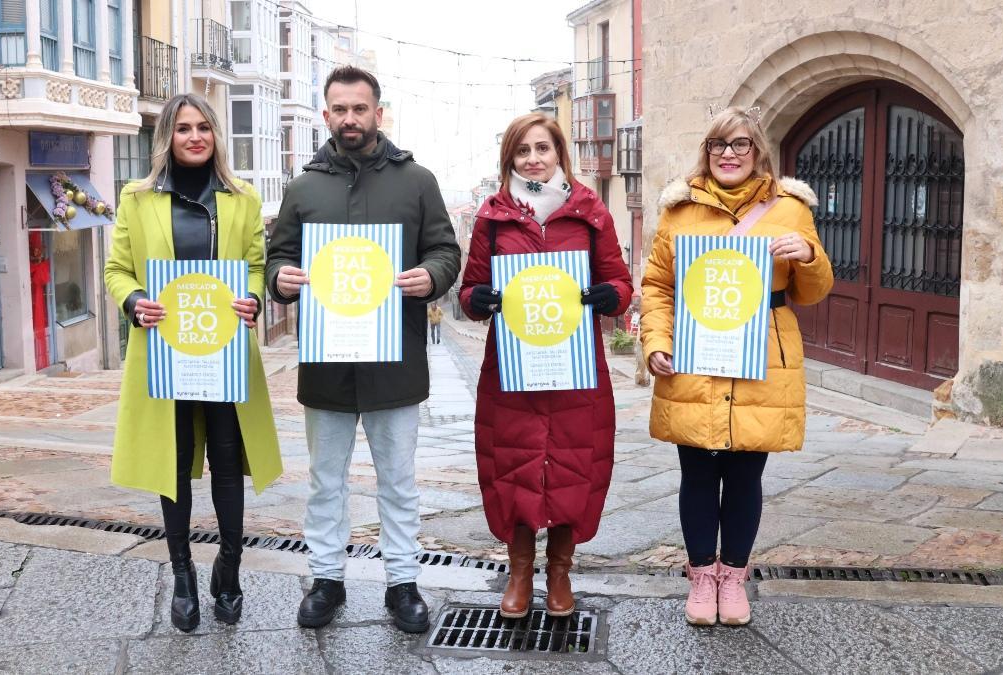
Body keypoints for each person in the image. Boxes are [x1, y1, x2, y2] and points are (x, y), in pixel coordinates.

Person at [266, 66, 460, 633]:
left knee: (397, 479)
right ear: (326, 115)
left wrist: (431, 274)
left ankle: (402, 582)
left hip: (394, 360)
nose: (349, 118)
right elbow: (278, 258)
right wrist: (281, 279)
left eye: (359, 108)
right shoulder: (302, 188)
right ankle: (326, 578)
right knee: (326, 480)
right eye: (340, 109)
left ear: (378, 112)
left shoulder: (417, 181)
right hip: (327, 363)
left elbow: (445, 249)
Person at [639, 106, 833, 626]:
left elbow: (812, 292)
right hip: (695, 353)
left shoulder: (790, 208)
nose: (729, 154)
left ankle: (734, 578)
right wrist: (655, 339)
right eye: (718, 145)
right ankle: (702, 577)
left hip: (761, 355)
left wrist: (809, 256)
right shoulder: (679, 210)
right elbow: (657, 286)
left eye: (740, 144)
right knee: (698, 472)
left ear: (757, 150)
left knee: (746, 473)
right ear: (706, 151)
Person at [104, 94, 283, 632]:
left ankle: (229, 568)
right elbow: (117, 270)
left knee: (228, 462)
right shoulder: (137, 198)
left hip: (224, 350)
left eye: (204, 127)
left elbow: (255, 266)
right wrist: (135, 302)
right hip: (165, 351)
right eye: (183, 128)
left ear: (215, 135)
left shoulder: (242, 198)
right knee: (174, 462)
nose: (195, 136)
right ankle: (182, 575)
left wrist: (252, 298)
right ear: (168, 136)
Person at [459, 113, 632, 619]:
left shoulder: (590, 213)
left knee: (573, 466)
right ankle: (519, 572)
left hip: (575, 367)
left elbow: (620, 283)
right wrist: (478, 300)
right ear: (510, 159)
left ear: (559, 153)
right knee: (513, 465)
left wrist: (610, 296)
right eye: (523, 151)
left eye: (542, 148)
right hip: (513, 370)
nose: (533, 159)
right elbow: (470, 291)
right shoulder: (493, 219)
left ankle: (559, 572)